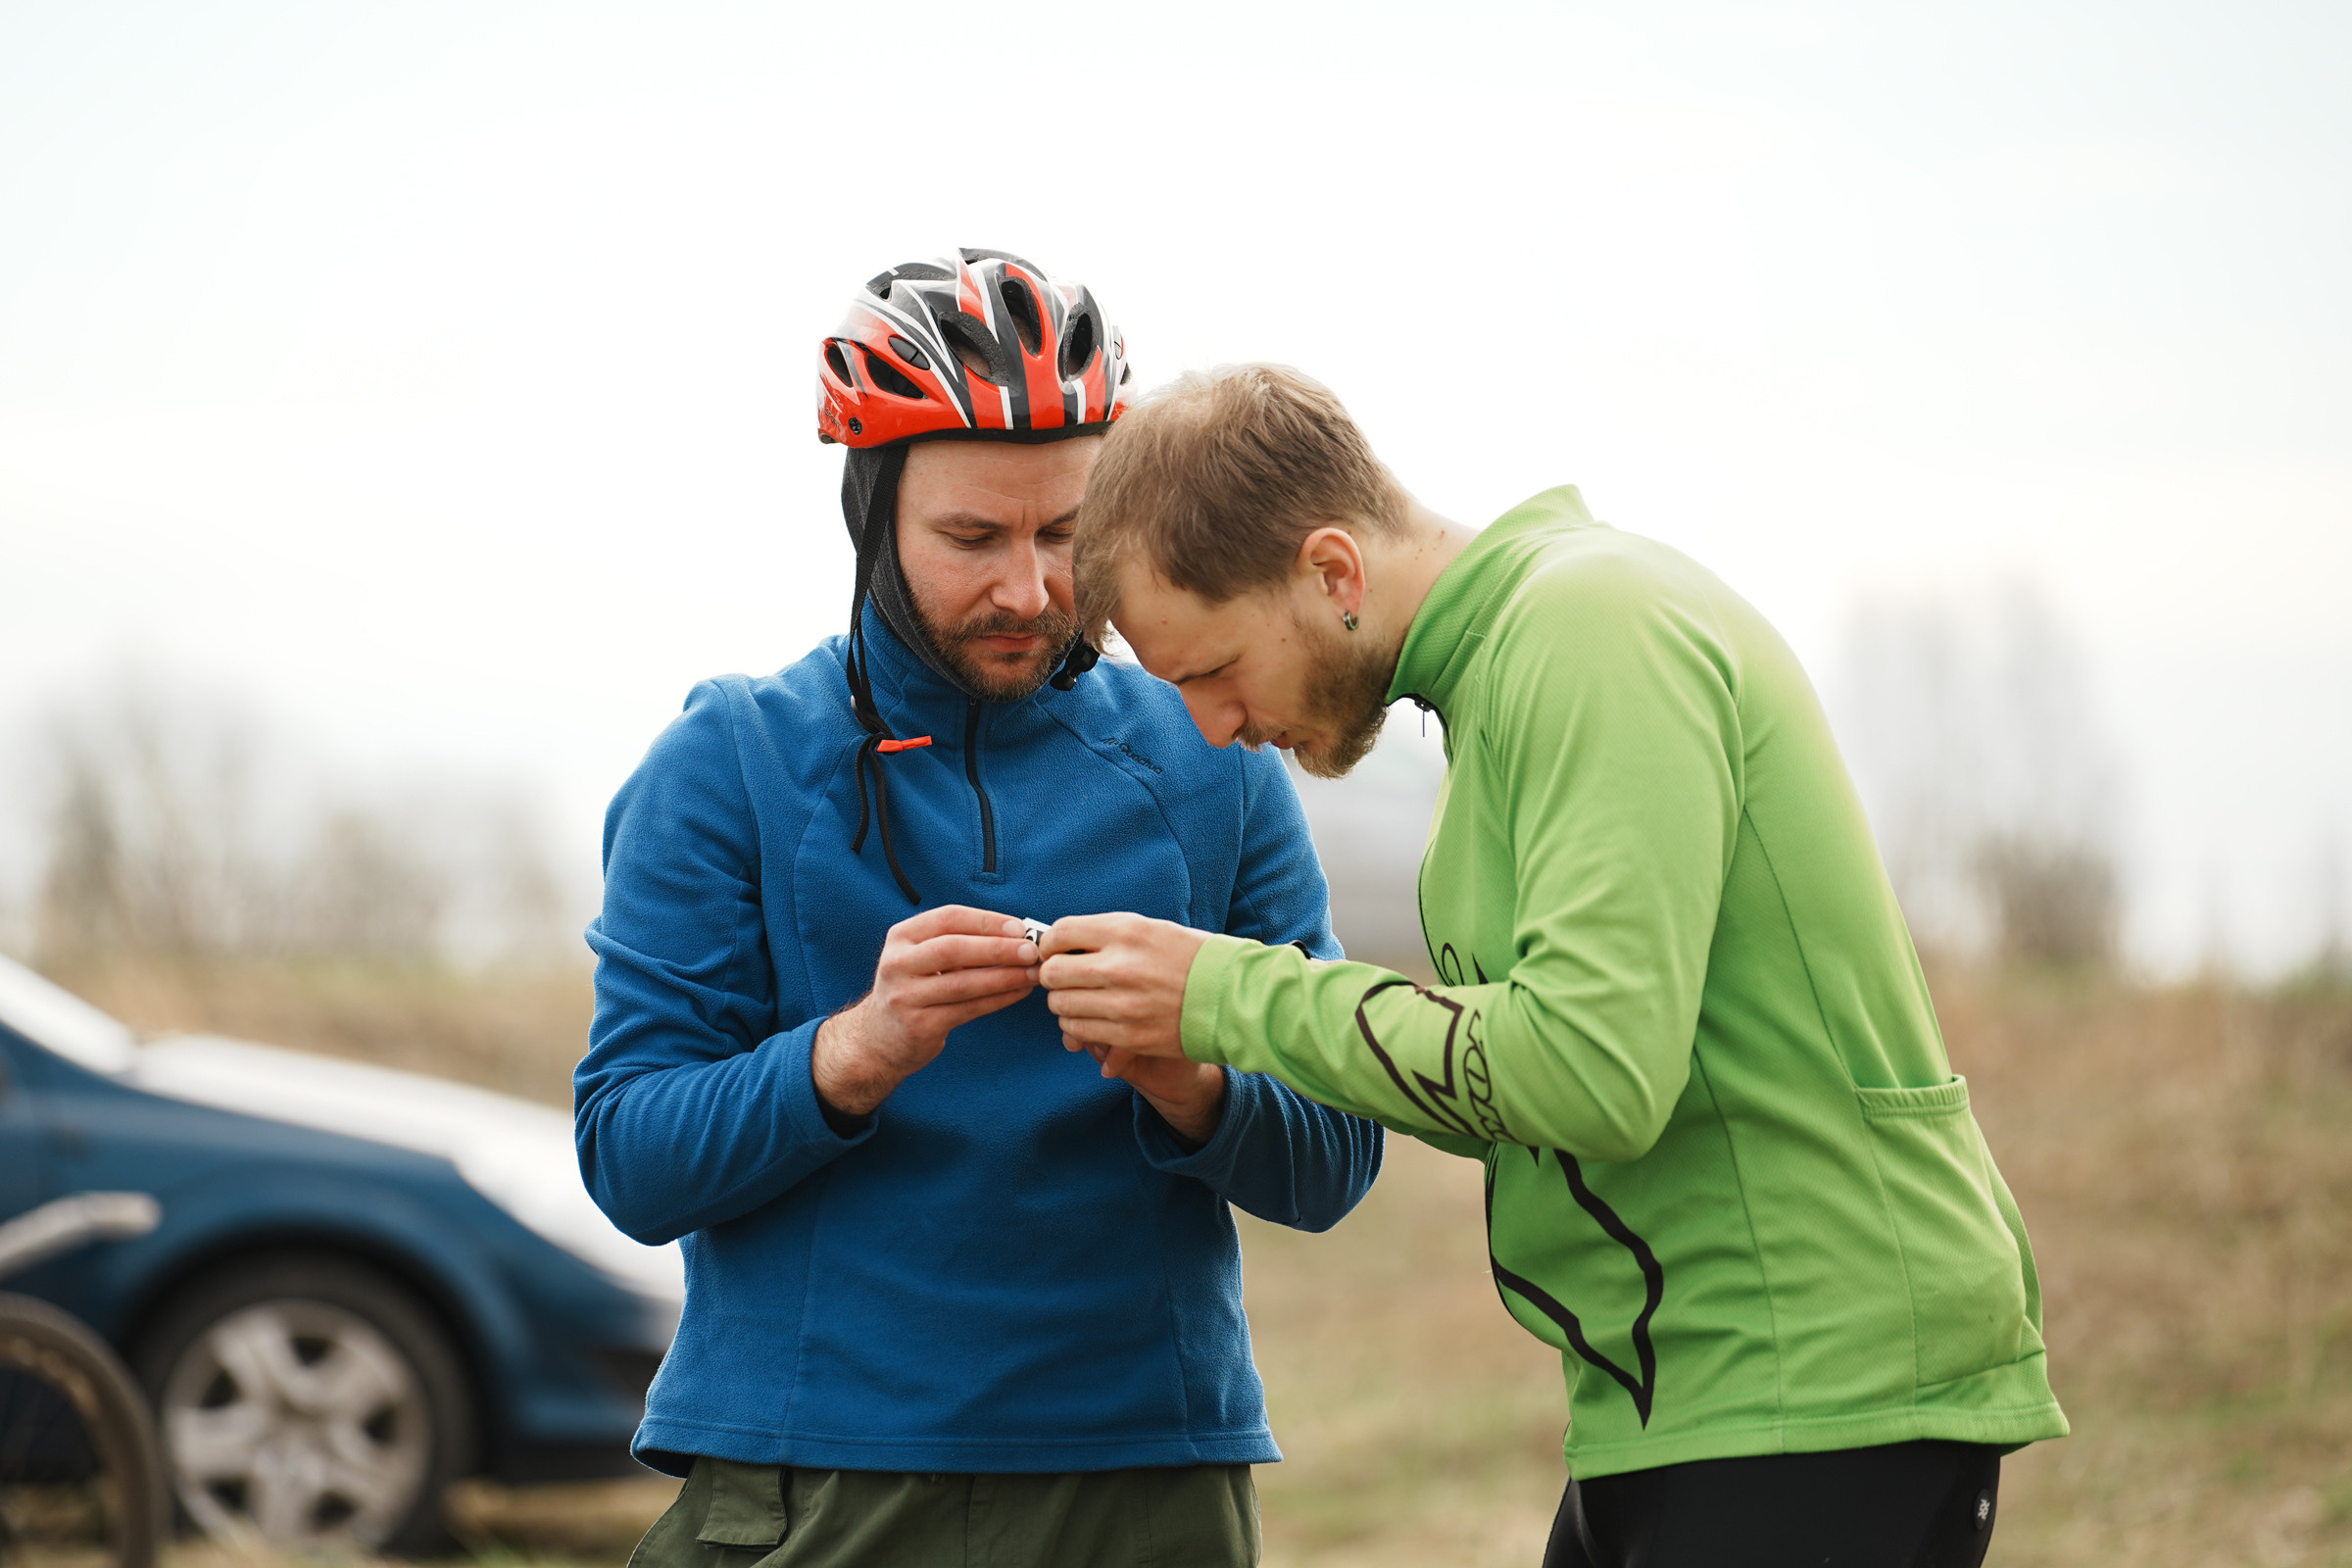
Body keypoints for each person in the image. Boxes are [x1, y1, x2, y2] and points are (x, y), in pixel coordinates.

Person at [1041, 365, 2068, 1568]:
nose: (1213, 727)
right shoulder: (1495, 684)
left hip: (1813, 1392)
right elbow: (1527, 1084)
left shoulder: (1591, 629)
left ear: (1332, 571)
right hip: (1686, 1404)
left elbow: (1592, 1074)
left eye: (1211, 673)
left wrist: (1223, 992)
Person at [575, 263, 1383, 1568]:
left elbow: (1338, 1158)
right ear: (874, 518)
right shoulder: (731, 758)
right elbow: (629, 1157)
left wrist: (1192, 1077)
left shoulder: (1214, 749)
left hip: (1146, 1481)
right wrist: (855, 1054)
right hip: (812, 1477)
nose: (1030, 590)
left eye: (1066, 533)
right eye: (973, 540)